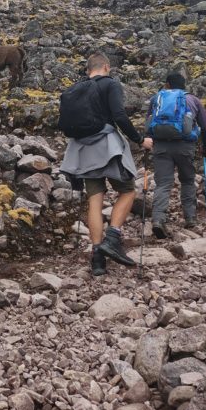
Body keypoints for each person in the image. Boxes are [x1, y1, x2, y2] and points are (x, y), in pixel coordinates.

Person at [60, 52, 153, 276]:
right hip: (107, 148)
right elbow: (119, 116)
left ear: (88, 69)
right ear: (107, 67)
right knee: (128, 191)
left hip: (82, 151)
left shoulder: (76, 90)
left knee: (95, 201)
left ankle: (97, 259)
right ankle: (112, 237)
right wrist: (140, 140)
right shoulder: (110, 84)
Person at [146, 72, 206, 238]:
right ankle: (190, 218)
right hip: (185, 147)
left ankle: (158, 219)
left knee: (163, 184)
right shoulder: (193, 100)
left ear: (167, 84)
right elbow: (205, 128)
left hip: (161, 146)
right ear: (184, 85)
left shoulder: (156, 99)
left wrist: (147, 144)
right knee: (188, 180)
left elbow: (148, 123)